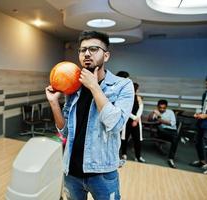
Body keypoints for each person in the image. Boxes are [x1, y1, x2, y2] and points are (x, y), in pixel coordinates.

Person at [45, 31, 134, 200]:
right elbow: (64, 133)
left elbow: (115, 125)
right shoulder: (74, 87)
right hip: (72, 170)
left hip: (103, 173)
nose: (86, 53)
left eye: (93, 49)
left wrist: (94, 87)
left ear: (106, 55)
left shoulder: (122, 85)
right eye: (82, 50)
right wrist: (54, 103)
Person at [148, 99, 180, 168]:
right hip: (162, 132)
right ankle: (171, 159)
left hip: (172, 131)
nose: (162, 109)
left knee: (175, 138)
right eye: (160, 108)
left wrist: (160, 119)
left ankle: (171, 158)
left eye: (164, 108)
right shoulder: (156, 112)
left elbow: (172, 123)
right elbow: (149, 119)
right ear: (157, 107)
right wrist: (153, 112)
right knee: (161, 129)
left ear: (166, 107)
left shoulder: (170, 112)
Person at [120, 82, 145, 163]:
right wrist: (134, 118)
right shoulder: (126, 98)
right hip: (127, 121)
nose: (138, 90)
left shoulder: (138, 98)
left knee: (137, 139)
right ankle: (124, 154)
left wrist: (136, 119)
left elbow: (140, 108)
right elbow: (125, 110)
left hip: (136, 122)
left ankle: (138, 156)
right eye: (137, 89)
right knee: (125, 138)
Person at [190, 76, 207, 174]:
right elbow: (204, 108)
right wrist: (199, 114)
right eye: (206, 82)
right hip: (202, 121)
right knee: (198, 141)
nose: (206, 84)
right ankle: (202, 161)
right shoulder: (205, 94)